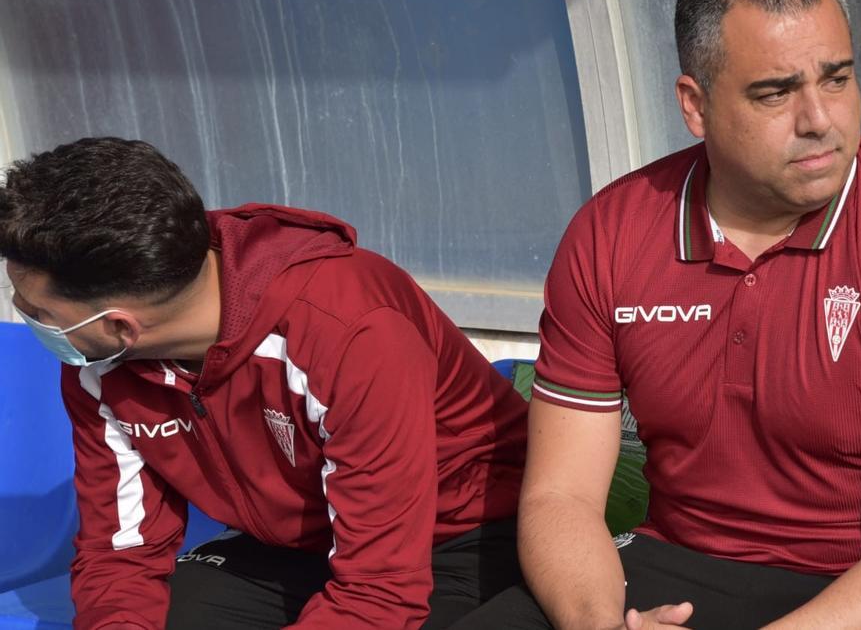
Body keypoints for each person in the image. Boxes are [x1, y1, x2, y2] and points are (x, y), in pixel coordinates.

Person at [459, 0, 861, 628]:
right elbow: (561, 496)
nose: (819, 118)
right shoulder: (610, 234)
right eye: (775, 92)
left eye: (837, 78)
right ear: (694, 105)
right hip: (682, 562)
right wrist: (601, 623)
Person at [0, 137, 528, 629]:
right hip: (296, 547)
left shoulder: (349, 331)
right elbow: (120, 554)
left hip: (455, 539)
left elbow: (380, 591)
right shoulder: (100, 362)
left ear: (121, 324)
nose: (25, 316)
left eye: (38, 310)